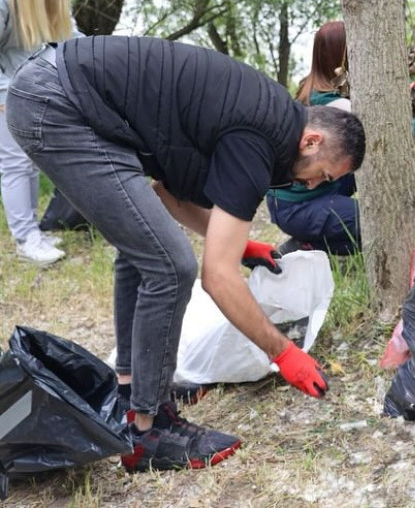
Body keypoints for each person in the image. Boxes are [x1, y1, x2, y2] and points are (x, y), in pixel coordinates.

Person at [6, 35, 366, 472]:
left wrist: (239, 244)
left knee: (144, 249)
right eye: (321, 175)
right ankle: (148, 429)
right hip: (60, 104)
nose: (313, 186)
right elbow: (216, 277)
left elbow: (166, 194)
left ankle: (131, 388)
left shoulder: (269, 120)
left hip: (66, 93)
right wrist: (283, 353)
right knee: (171, 265)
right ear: (310, 141)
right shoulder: (259, 139)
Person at [0, 0, 76, 266]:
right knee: (15, 164)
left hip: (33, 92)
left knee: (30, 164)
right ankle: (26, 238)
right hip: (6, 95)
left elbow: (72, 39)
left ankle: (33, 232)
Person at [267, 21, 359, 256]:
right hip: (296, 206)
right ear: (343, 56)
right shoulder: (332, 103)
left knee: (357, 167)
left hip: (305, 195)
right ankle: (308, 244)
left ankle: (312, 236)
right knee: (369, 221)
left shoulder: (311, 88)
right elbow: (380, 141)